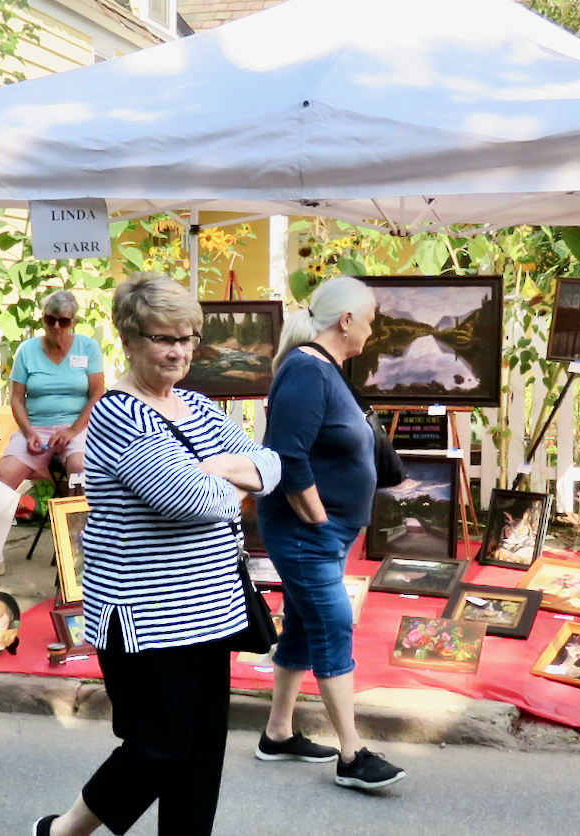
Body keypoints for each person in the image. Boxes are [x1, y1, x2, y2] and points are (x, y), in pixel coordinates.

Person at [32, 273, 281, 836]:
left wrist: (219, 469)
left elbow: (271, 465)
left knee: (201, 754)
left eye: (187, 338)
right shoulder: (118, 414)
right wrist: (232, 481)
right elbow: (188, 500)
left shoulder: (196, 404)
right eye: (163, 338)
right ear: (128, 339)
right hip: (145, 614)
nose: (178, 351)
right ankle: (64, 831)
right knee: (157, 749)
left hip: (215, 607)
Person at [255, 275, 406, 790]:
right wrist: (319, 520)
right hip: (305, 531)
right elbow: (287, 456)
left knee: (302, 623)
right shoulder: (306, 370)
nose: (372, 329)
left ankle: (277, 734)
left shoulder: (325, 369)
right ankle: (352, 753)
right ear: (346, 320)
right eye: (370, 319)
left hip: (325, 531)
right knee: (333, 625)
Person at [0, 290, 104, 580]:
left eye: (64, 321)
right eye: (51, 320)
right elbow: (16, 398)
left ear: (74, 321)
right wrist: (28, 432)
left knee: (81, 469)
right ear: (43, 319)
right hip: (35, 427)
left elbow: (97, 394)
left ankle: (82, 557)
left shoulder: (88, 348)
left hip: (77, 427)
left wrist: (73, 430)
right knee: (3, 475)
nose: (57, 327)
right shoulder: (28, 350)